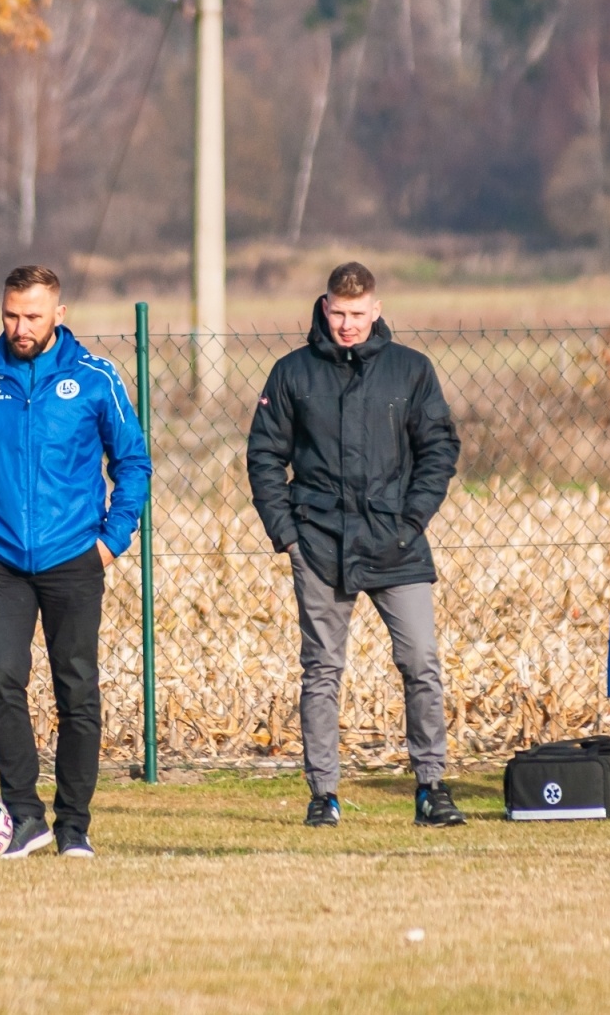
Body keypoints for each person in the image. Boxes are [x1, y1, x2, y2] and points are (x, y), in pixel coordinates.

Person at [0, 265, 152, 858]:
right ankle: (25, 820)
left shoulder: (94, 379)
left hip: (74, 556)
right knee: (4, 680)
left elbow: (132, 462)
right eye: (11, 314)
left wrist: (111, 539)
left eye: (32, 315)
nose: (20, 326)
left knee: (76, 689)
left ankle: (74, 826)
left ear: (59, 314)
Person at [247, 261, 467, 829]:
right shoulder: (292, 373)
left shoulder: (411, 371)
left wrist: (414, 517)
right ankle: (324, 795)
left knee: (420, 662)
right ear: (325, 307)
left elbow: (439, 448)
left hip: (398, 542)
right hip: (318, 543)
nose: (347, 325)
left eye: (358, 314)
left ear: (377, 309)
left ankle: (432, 787)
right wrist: (288, 535)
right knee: (322, 668)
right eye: (338, 314)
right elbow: (265, 456)